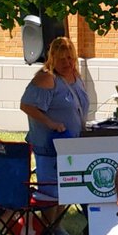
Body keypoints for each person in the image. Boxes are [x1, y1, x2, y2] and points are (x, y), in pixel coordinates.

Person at [20, 36, 89, 203]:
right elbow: (26, 105)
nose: (67, 62)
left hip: (72, 145)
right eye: (61, 59)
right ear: (52, 59)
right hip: (50, 145)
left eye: (70, 58)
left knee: (67, 189)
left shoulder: (75, 76)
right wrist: (51, 123)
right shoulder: (47, 77)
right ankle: (49, 227)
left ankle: (56, 227)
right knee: (51, 194)